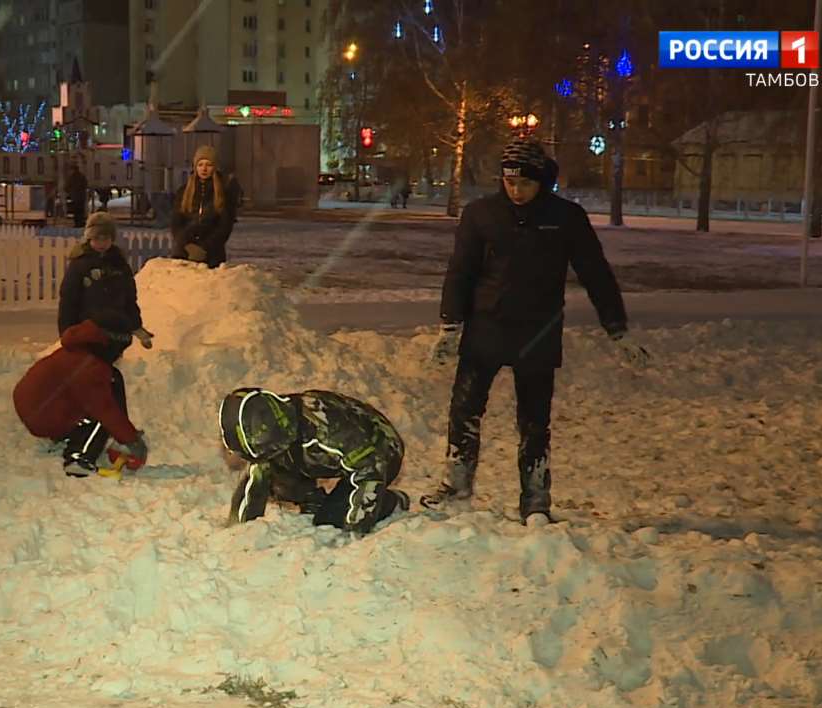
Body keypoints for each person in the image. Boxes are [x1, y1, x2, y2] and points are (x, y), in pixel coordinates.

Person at [423, 138, 647, 525]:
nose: (516, 191)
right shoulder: (481, 215)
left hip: (538, 333)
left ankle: (536, 498)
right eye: (509, 183)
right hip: (485, 329)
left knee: (534, 422)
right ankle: (456, 486)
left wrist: (617, 329)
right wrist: (450, 325)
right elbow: (460, 273)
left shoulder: (566, 218)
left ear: (542, 181)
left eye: (525, 184)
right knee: (464, 411)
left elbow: (596, 274)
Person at [219, 387, 411, 534]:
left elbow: (370, 472)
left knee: (331, 521)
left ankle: (392, 501)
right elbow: (256, 481)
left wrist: (355, 529)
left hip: (381, 450)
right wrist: (240, 529)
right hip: (324, 453)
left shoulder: (326, 430)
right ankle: (314, 500)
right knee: (275, 478)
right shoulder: (275, 427)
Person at [12, 315, 148, 476]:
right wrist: (132, 441)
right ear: (111, 345)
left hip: (39, 406)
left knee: (112, 379)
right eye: (120, 350)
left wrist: (125, 434)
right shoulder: (87, 366)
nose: (120, 356)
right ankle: (78, 458)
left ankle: (73, 437)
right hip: (41, 415)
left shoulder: (81, 350)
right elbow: (105, 410)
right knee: (102, 418)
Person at [58, 210, 155, 350]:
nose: (102, 243)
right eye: (97, 238)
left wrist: (136, 326)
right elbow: (68, 301)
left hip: (116, 333)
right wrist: (66, 332)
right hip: (87, 331)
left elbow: (129, 299)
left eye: (106, 238)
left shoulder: (119, 264)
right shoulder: (80, 265)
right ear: (89, 238)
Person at [170, 145, 241, 269]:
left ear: (215, 167)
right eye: (200, 164)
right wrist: (187, 245)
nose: (204, 169)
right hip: (184, 253)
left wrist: (204, 248)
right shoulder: (184, 191)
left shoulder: (224, 193)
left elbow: (224, 226)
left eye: (208, 165)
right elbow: (176, 222)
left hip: (212, 255)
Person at [66, 164, 89, 228]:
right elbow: (86, 184)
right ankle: (81, 223)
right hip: (81, 197)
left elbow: (67, 186)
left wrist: (69, 192)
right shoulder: (82, 176)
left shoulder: (71, 177)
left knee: (76, 211)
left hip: (75, 197)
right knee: (81, 211)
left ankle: (77, 223)